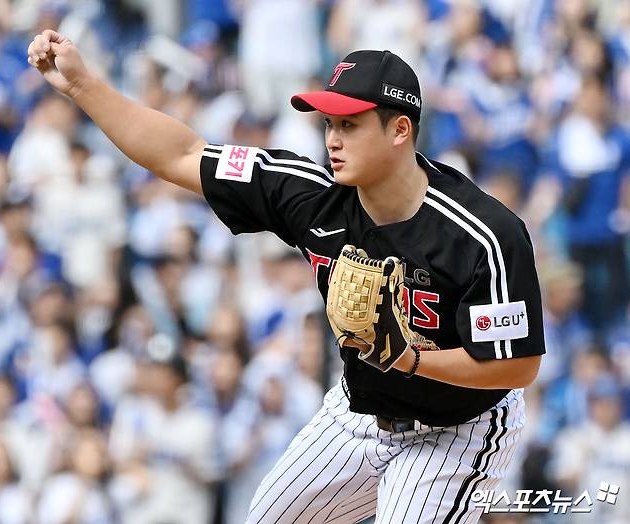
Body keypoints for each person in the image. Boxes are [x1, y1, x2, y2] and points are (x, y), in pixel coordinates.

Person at [27, 30, 545, 523]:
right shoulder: (310, 194)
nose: (333, 140)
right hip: (359, 413)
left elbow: (516, 367)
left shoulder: (483, 234)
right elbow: (182, 155)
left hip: (459, 430)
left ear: (399, 129)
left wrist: (410, 359)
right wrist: (82, 85)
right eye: (328, 124)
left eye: (350, 124)